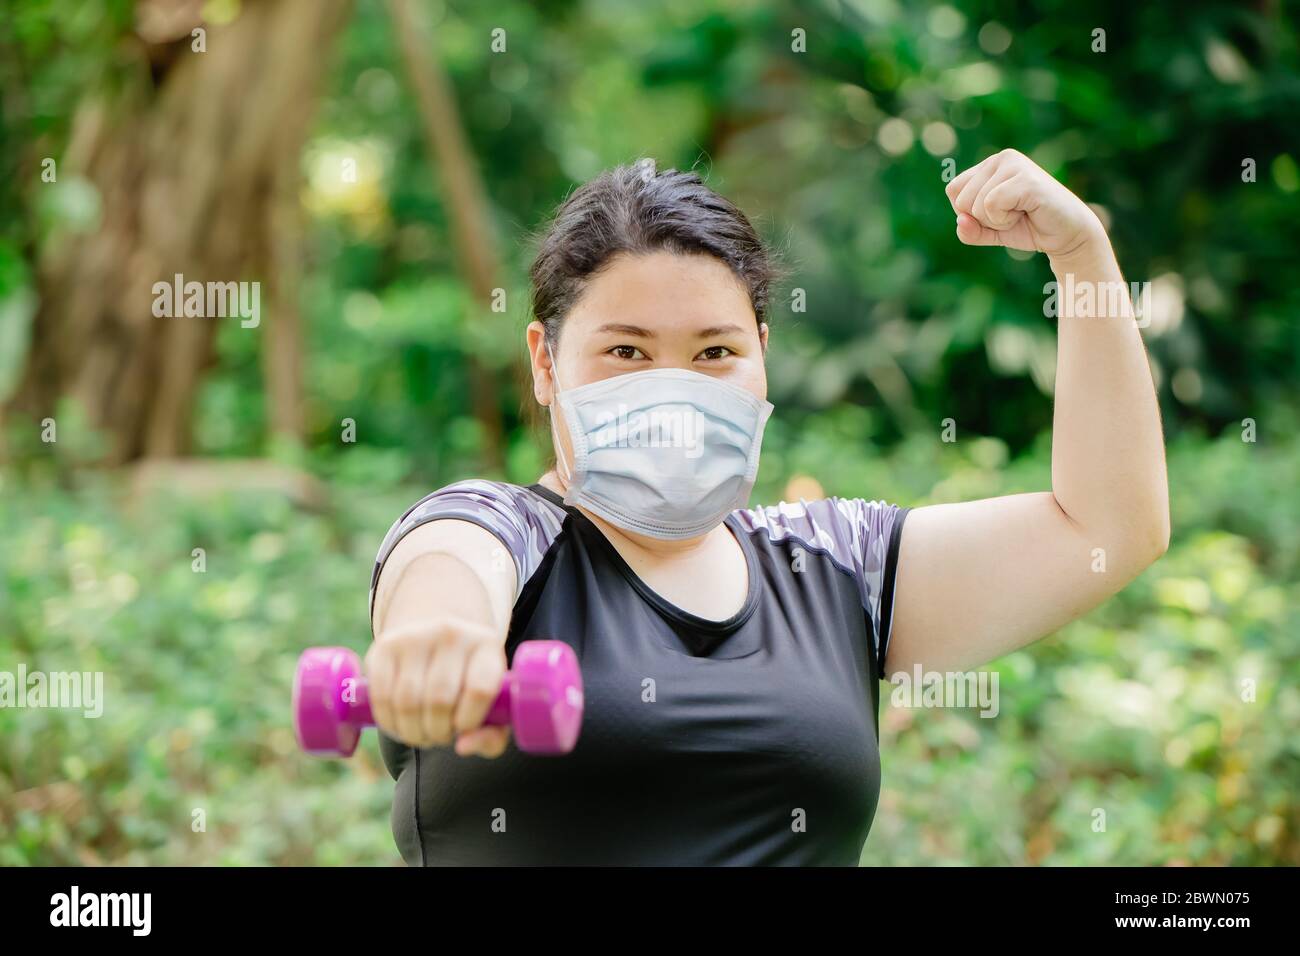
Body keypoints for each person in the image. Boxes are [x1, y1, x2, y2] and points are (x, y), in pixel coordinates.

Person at [365, 153, 1169, 866]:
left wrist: (1081, 256)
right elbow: (446, 567)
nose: (674, 390)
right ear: (546, 364)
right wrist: (442, 640)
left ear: (762, 355)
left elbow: (1106, 527)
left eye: (714, 351)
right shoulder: (500, 529)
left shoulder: (836, 566)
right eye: (627, 351)